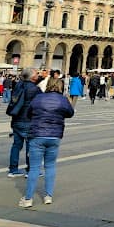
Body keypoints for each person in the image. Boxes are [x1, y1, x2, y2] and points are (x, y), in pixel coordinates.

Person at [19, 77, 74, 208]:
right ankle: (48, 196)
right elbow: (70, 113)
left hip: (37, 135)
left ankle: (28, 199)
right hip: (54, 137)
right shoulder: (63, 100)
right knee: (50, 166)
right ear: (61, 87)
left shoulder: (38, 98)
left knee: (34, 168)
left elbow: (28, 113)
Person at [7, 68, 41, 177]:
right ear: (32, 77)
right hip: (28, 120)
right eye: (36, 73)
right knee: (31, 145)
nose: (38, 74)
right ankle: (30, 170)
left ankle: (13, 170)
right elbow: (40, 103)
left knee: (16, 145)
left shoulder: (18, 85)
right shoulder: (34, 89)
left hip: (16, 119)